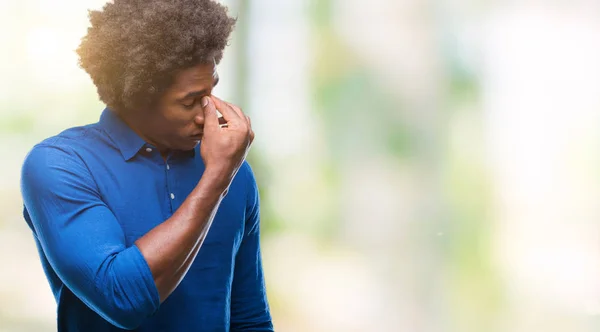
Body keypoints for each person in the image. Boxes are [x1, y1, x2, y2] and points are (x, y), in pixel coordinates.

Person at [19, 0, 273, 331]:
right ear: (137, 96)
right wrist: (215, 181)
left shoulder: (234, 174)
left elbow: (249, 319)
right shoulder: (60, 165)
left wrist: (223, 174)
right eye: (189, 102)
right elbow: (122, 298)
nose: (209, 114)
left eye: (210, 92)